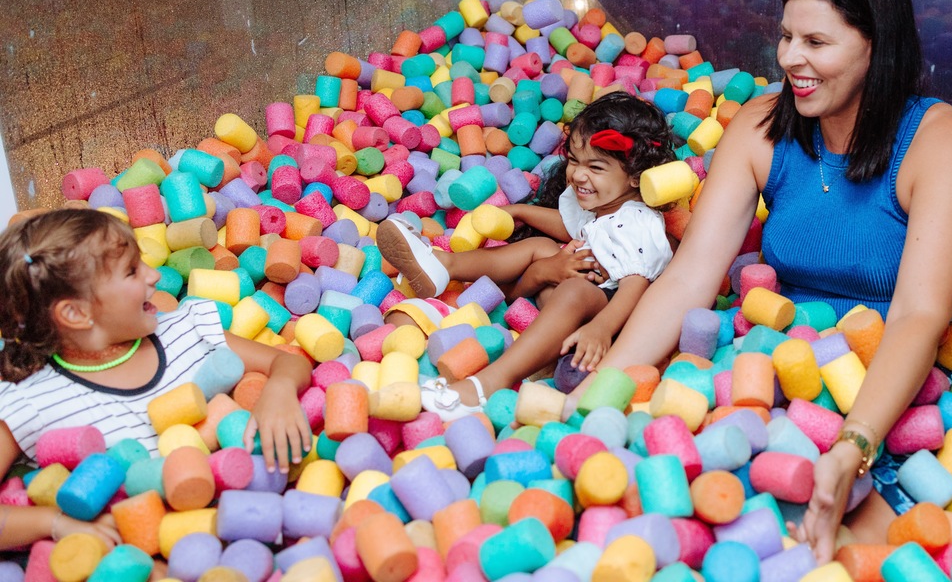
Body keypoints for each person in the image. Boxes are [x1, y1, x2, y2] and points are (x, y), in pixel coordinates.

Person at [578, 0, 952, 562]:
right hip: (782, 359)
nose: (791, 58)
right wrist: (597, 399)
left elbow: (918, 317)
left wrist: (854, 444)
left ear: (878, 46)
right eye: (786, 35)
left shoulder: (942, 141)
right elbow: (690, 278)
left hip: (892, 379)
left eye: (817, 43)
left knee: (859, 538)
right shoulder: (761, 124)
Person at [0, 208, 313, 551]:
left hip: (261, 526)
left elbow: (287, 362)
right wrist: (54, 522)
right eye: (132, 271)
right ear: (76, 312)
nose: (154, 277)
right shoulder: (30, 400)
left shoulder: (187, 330)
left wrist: (279, 392)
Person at [376, 92, 678, 422]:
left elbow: (635, 286)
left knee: (575, 288)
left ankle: (486, 385)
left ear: (636, 176)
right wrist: (522, 211)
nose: (577, 174)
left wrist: (602, 330)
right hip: (571, 298)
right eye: (574, 161)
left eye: (596, 166)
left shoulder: (640, 221)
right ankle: (444, 266)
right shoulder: (603, 203)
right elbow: (569, 228)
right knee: (541, 248)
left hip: (609, 317)